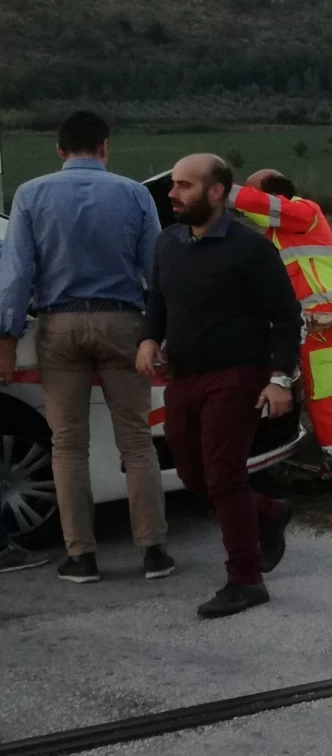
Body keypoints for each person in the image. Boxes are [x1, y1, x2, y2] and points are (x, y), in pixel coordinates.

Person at [0, 110, 171, 583]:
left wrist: (8, 339)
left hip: (60, 324)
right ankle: (154, 551)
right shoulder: (135, 194)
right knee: (136, 441)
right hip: (123, 322)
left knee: (67, 445)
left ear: (59, 150)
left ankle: (82, 557)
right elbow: (157, 272)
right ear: (105, 147)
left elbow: (15, 276)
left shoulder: (30, 194)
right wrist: (160, 333)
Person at [137, 154, 301, 619]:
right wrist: (148, 339)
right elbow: (158, 303)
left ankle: (245, 579)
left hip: (237, 376)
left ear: (216, 193)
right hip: (184, 377)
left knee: (224, 475)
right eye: (173, 184)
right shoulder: (168, 243)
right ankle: (267, 513)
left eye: (184, 186)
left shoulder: (251, 249)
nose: (172, 193)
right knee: (192, 475)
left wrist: (278, 378)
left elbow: (287, 317)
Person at [232, 169, 332, 483]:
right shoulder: (278, 233)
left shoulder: (305, 212)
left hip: (325, 324)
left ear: (272, 196)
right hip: (313, 325)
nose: (245, 210)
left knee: (328, 403)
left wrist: (218, 190)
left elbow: (259, 205)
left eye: (254, 199)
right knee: (321, 400)